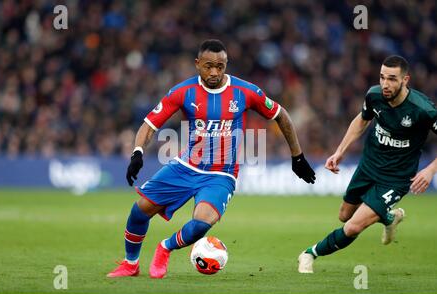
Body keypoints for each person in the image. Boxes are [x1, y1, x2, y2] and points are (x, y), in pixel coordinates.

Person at [107, 39, 316, 278]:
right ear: (197, 64)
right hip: (186, 166)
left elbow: (282, 115)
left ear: (226, 64)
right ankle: (130, 264)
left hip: (221, 174)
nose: (215, 72)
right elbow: (150, 124)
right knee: (139, 210)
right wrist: (137, 153)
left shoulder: (245, 91)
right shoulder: (182, 91)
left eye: (220, 66)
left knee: (201, 224)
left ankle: (165, 248)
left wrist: (297, 156)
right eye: (208, 66)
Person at [298, 55, 437, 273]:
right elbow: (362, 119)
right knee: (344, 215)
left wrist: (430, 170)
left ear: (405, 80)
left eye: (392, 79)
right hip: (369, 166)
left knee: (352, 227)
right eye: (382, 77)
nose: (385, 84)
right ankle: (389, 217)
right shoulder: (374, 96)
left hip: (396, 178)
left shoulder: (423, 110)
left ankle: (309, 254)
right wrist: (340, 151)